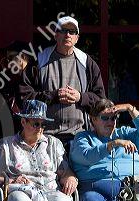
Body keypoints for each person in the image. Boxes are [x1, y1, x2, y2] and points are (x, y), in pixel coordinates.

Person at [19, 16, 106, 148]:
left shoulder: (87, 62)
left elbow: (101, 101)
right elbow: (24, 97)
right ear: (56, 35)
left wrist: (80, 97)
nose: (68, 35)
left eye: (72, 32)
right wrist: (53, 96)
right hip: (44, 137)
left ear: (77, 38)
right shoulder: (40, 60)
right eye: (63, 30)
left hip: (80, 137)